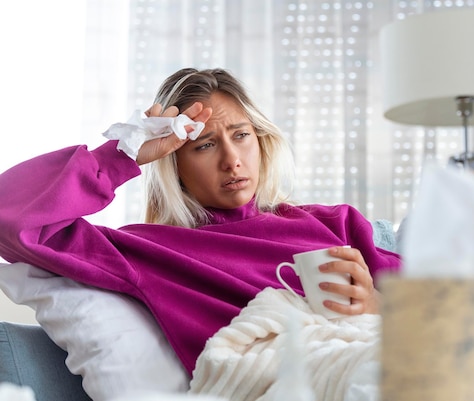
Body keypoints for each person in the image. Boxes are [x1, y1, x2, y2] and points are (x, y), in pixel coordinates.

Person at [0, 68, 401, 375]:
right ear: (173, 162)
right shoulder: (146, 251)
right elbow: (11, 219)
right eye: (205, 145)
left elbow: (444, 311)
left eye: (241, 135)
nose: (232, 160)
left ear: (260, 140)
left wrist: (378, 306)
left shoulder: (336, 225)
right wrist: (122, 154)